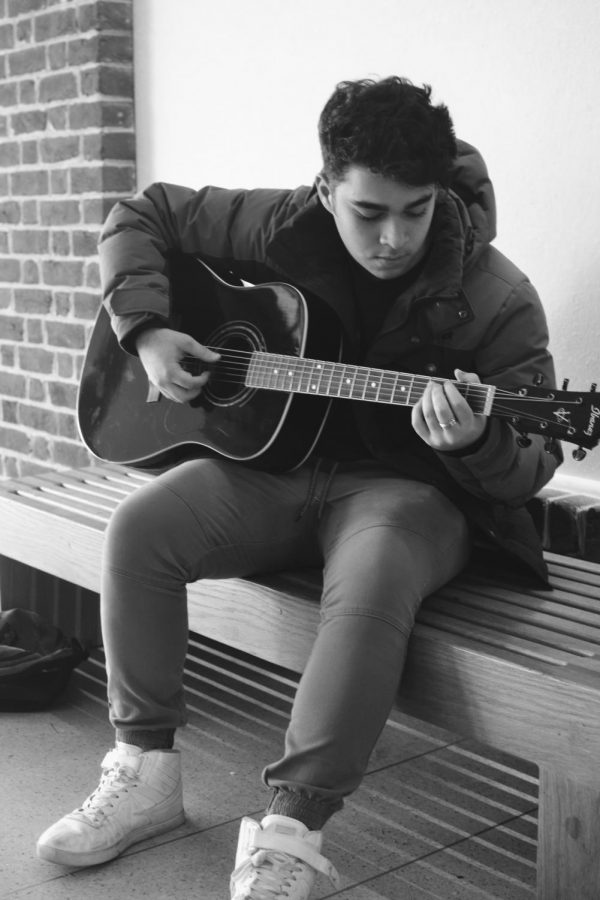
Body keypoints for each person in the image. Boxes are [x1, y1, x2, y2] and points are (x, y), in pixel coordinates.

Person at [36, 76, 561, 899]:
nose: (394, 237)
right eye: (369, 212)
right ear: (326, 188)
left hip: (406, 492)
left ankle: (291, 832)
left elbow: (532, 460)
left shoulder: (497, 296)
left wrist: (480, 438)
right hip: (276, 469)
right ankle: (145, 772)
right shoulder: (278, 221)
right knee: (140, 529)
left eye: (416, 211)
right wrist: (146, 330)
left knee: (375, 571)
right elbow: (143, 212)